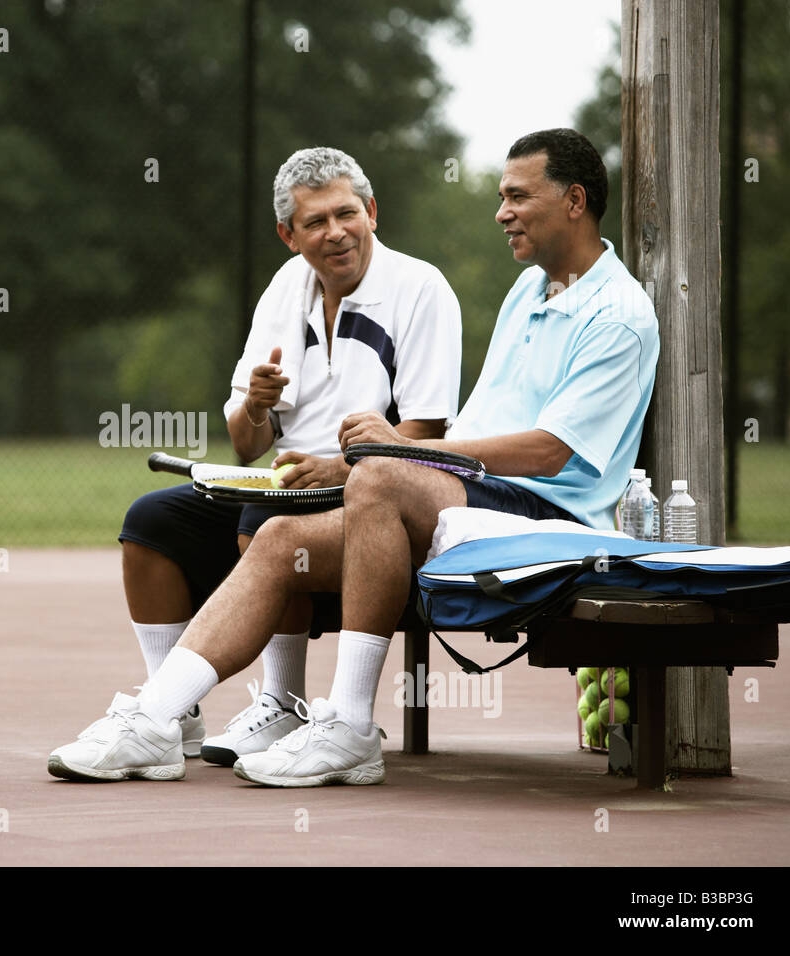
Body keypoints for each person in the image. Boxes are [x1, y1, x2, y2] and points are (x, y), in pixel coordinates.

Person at [49, 128, 660, 786]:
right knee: (279, 535)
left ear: (573, 201)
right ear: (290, 233)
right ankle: (157, 720)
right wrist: (384, 450)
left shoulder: (619, 315)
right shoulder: (530, 290)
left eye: (517, 196)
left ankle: (346, 727)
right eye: (500, 195)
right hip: (468, 494)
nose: (501, 211)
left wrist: (407, 450)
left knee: (377, 471)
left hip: (544, 514)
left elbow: (549, 452)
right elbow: (262, 434)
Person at [99, 146, 462, 770]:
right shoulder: (284, 288)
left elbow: (426, 435)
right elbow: (246, 442)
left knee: (263, 521)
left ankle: (282, 701)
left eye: (346, 213)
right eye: (315, 222)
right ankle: (175, 717)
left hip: (374, 496)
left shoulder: (421, 288)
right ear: (287, 235)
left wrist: (346, 469)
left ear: (372, 212)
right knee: (151, 523)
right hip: (284, 483)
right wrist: (260, 407)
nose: (336, 232)